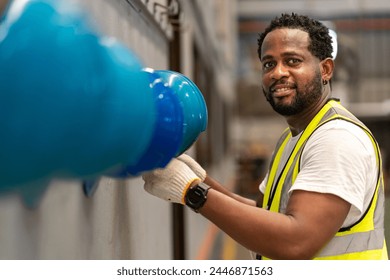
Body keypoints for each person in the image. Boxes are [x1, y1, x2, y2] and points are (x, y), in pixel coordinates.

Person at [142, 13, 388, 260]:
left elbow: (296, 242)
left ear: (325, 69)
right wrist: (201, 180)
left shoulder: (336, 140)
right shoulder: (294, 138)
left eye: (292, 61)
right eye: (269, 64)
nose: (278, 73)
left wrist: (193, 192)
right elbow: (266, 211)